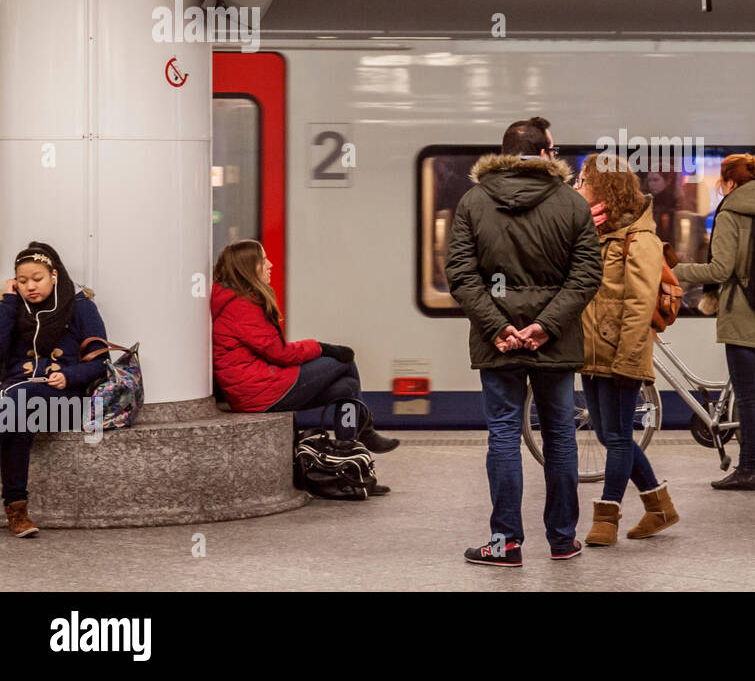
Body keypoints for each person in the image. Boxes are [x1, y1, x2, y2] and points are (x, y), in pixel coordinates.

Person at [446, 116, 603, 566]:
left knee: (503, 435)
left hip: (498, 344)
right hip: (553, 343)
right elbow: (586, 275)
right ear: (545, 153)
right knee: (559, 436)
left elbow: (460, 274)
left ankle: (506, 542)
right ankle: (561, 540)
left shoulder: (473, 201)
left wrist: (498, 327)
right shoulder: (572, 205)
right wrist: (545, 326)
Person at [210, 240, 399, 458]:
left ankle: (348, 452)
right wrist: (321, 347)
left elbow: (272, 350)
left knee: (348, 387)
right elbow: (281, 353)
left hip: (258, 386)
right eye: (263, 260)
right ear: (248, 267)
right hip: (259, 391)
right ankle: (363, 433)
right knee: (344, 360)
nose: (270, 264)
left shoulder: (239, 301)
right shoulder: (241, 306)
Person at [575, 154, 678, 546]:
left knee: (617, 436)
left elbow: (638, 303)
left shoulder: (642, 240)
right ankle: (660, 507)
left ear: (605, 187)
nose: (579, 187)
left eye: (584, 180)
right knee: (607, 433)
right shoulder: (598, 234)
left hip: (622, 355)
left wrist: (626, 359)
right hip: (592, 354)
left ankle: (607, 516)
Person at [673, 153, 755, 491]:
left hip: (743, 315)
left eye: (720, 181)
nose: (717, 187)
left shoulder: (730, 214)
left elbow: (720, 270)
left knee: (748, 398)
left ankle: (748, 470)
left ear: (731, 183)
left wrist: (676, 270)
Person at [0, 242, 109, 537]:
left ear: (54, 276)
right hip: (16, 398)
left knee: (17, 405)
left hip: (65, 399)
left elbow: (101, 364)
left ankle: (16, 509)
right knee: (18, 418)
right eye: (22, 281)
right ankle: (17, 511)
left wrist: (69, 375)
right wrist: (7, 304)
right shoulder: (13, 307)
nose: (30, 286)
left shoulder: (80, 307)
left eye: (37, 278)